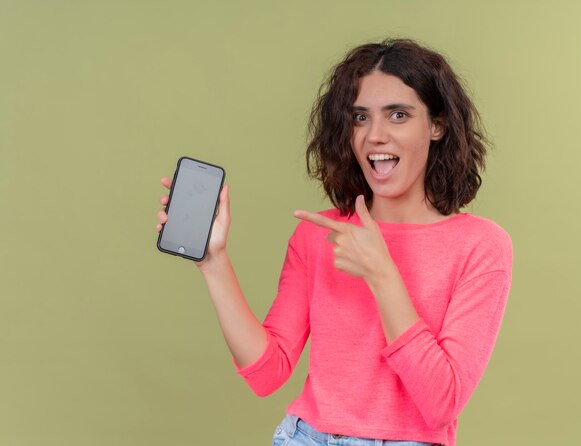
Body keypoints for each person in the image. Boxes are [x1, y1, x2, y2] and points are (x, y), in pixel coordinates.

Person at [156, 38, 513, 446]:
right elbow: (267, 372)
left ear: (437, 125)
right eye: (360, 118)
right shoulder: (318, 234)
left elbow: (441, 403)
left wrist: (382, 274)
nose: (375, 135)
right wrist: (213, 262)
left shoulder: (480, 245)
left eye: (398, 115)